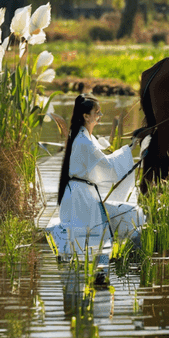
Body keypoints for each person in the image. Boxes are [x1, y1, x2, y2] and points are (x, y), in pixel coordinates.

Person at [55, 94, 144, 247]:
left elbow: (103, 163)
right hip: (81, 200)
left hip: (81, 197)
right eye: (97, 113)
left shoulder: (85, 137)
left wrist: (129, 149)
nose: (100, 116)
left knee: (127, 212)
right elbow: (107, 167)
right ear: (86, 116)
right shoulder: (83, 141)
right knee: (132, 212)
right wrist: (129, 150)